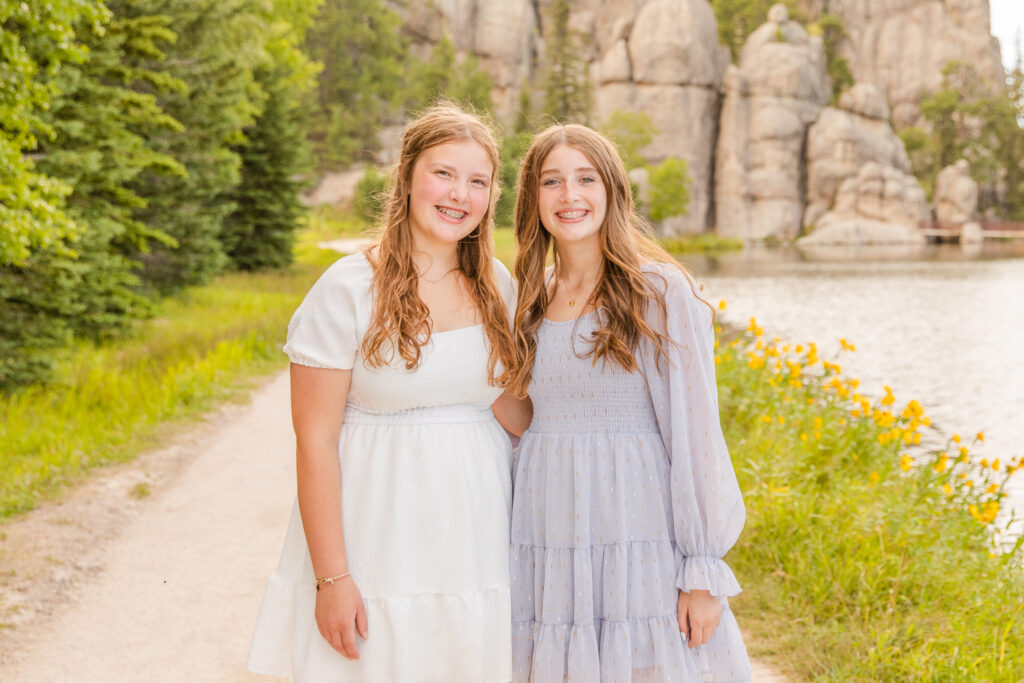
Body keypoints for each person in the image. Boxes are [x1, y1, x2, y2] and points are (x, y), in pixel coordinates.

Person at [247, 103, 529, 682]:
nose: (460, 195)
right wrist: (333, 578)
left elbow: (506, 407)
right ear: (406, 178)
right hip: (378, 530)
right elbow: (316, 441)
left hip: (477, 532)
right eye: (443, 173)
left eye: (478, 181)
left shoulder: (498, 284)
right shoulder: (349, 288)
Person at [505, 124, 751, 682]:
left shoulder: (659, 293)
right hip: (550, 533)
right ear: (532, 199)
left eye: (585, 179)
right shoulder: (529, 300)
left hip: (635, 531)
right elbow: (524, 422)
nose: (570, 196)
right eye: (552, 181)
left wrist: (701, 570)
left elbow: (695, 437)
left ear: (612, 190)